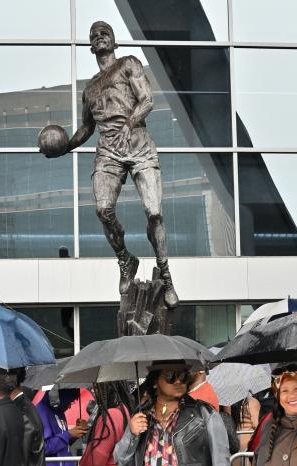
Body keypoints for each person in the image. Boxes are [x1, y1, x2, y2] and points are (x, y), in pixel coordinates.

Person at [44, 21, 178, 307]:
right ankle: (125, 259)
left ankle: (165, 273)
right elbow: (86, 128)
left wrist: (130, 122)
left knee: (154, 213)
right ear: (91, 47)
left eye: (104, 32)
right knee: (103, 210)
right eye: (94, 35)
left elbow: (147, 100)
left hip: (139, 144)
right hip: (108, 151)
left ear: (114, 42)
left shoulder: (129, 63)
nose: (99, 36)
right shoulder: (90, 90)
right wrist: (66, 145)